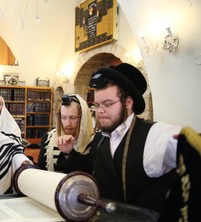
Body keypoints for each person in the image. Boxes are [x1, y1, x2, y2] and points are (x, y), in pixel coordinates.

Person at [56, 63, 181, 213]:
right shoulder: (101, 139)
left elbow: (189, 146)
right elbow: (89, 171)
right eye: (97, 105)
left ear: (128, 103)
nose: (100, 111)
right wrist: (69, 153)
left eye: (107, 104)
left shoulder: (153, 135)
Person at [38, 94, 94, 172]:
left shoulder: (94, 141)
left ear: (82, 118)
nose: (68, 123)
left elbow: (89, 172)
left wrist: (69, 153)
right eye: (63, 118)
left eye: (73, 117)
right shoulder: (48, 138)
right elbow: (42, 170)